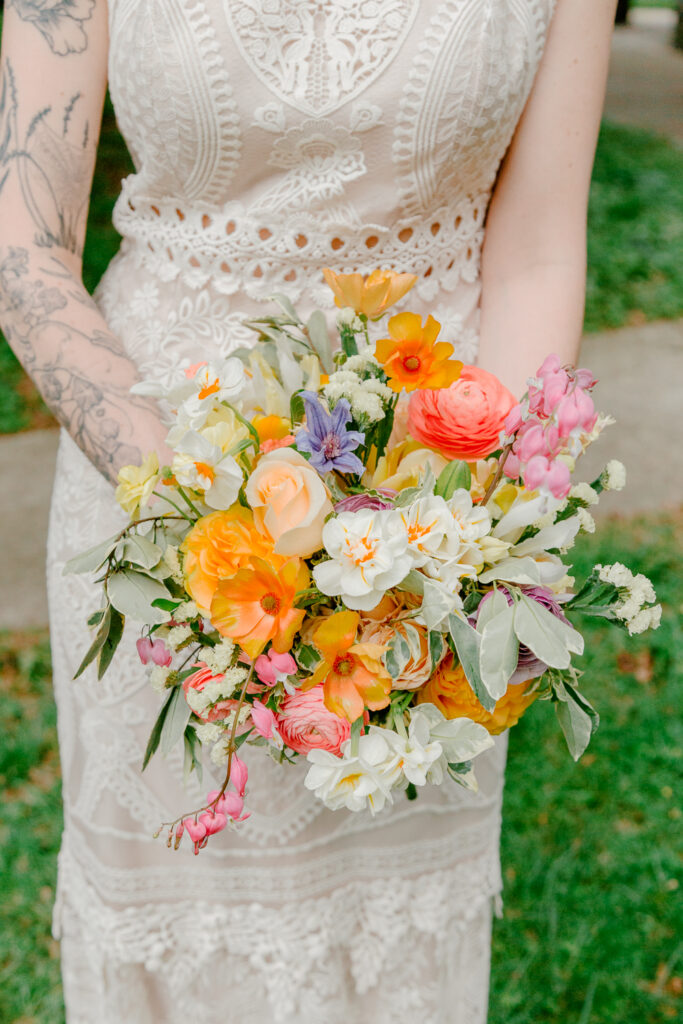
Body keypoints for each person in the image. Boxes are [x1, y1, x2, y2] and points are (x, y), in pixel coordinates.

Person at [0, 2, 617, 1021]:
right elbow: (25, 248)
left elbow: (535, 254)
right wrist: (196, 533)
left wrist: (461, 546)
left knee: (389, 928)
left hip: (427, 520)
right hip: (153, 500)